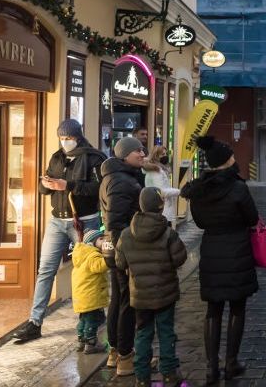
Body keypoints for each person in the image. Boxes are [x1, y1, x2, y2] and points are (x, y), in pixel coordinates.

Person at [14, 119, 106, 344]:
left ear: (78, 137)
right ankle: (35, 322)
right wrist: (46, 184)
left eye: (69, 138)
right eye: (62, 138)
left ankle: (89, 322)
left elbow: (100, 188)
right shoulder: (57, 157)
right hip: (57, 221)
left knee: (87, 272)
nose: (65, 142)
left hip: (84, 222)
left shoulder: (94, 158)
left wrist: (69, 186)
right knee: (45, 269)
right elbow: (42, 189)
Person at [180, 136, 260, 384]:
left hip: (212, 251)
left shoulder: (199, 191)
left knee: (212, 310)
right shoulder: (237, 188)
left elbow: (201, 222)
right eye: (231, 155)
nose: (235, 158)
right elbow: (252, 218)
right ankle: (231, 362)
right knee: (237, 308)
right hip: (237, 251)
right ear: (226, 161)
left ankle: (211, 367)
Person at [115, 187, 189, 387]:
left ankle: (141, 376)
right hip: (165, 294)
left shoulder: (126, 234)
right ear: (161, 206)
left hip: (140, 296)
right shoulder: (167, 233)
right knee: (166, 332)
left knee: (142, 333)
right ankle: (168, 374)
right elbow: (180, 258)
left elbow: (119, 263)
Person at [99, 136, 147, 376]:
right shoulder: (120, 180)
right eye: (137, 150)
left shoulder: (120, 176)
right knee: (127, 301)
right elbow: (115, 221)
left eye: (142, 149)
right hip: (122, 248)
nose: (142, 153)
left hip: (117, 247)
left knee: (118, 300)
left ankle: (116, 353)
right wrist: (124, 254)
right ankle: (125, 357)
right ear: (124, 155)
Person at [72, 230, 109, 354]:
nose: (104, 241)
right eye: (100, 239)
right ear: (92, 243)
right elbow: (99, 266)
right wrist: (109, 258)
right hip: (91, 296)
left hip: (82, 295)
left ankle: (81, 341)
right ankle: (91, 343)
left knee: (83, 319)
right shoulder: (93, 255)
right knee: (92, 320)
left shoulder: (81, 255)